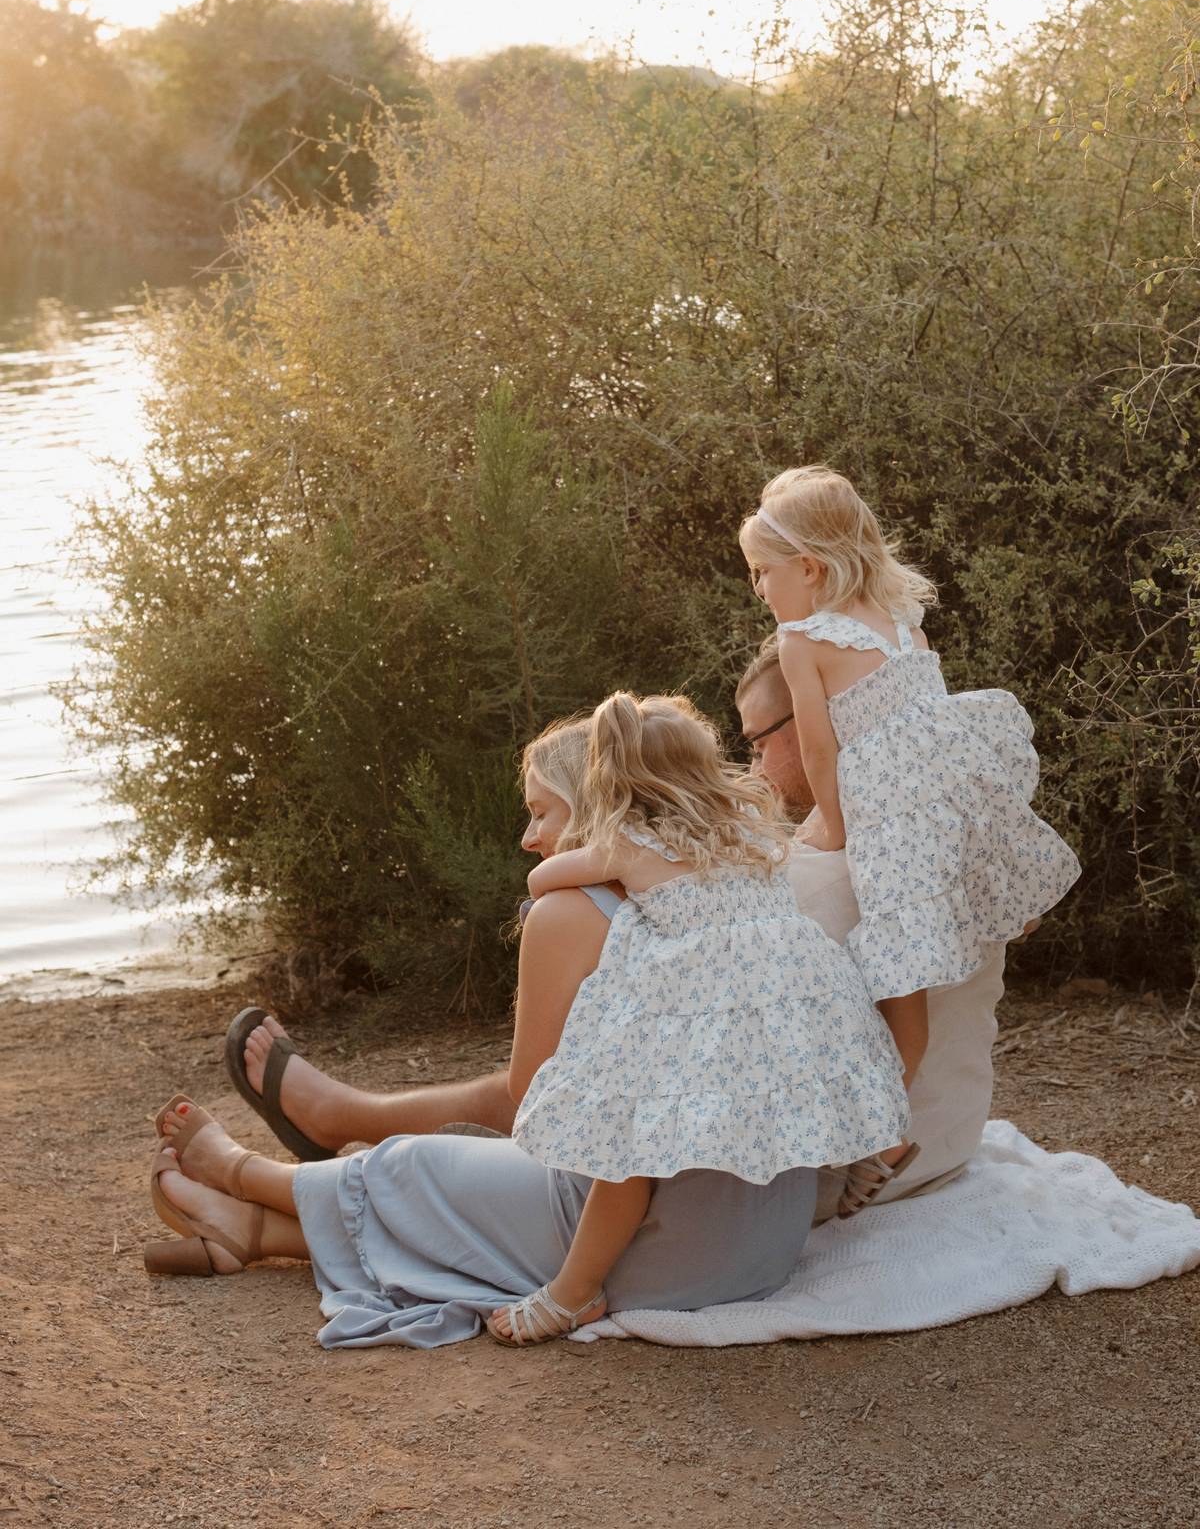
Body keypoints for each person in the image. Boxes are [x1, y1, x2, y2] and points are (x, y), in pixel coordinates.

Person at [142, 717, 827, 1349]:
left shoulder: (568, 910)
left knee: (415, 1166)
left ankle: (244, 1174)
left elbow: (534, 1098)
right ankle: (252, 1231)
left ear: (590, 805)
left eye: (540, 813)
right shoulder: (733, 884)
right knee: (468, 1178)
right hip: (763, 1243)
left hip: (665, 1252)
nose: (530, 839)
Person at [488, 693, 909, 1343]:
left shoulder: (627, 843)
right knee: (834, 1069)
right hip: (796, 981)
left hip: (705, 994)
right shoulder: (746, 826)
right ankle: (879, 1151)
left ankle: (574, 1292)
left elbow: (547, 878)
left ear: (614, 780)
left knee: (628, 1144)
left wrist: (586, 865)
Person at [739, 463, 1082, 1203]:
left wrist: (832, 826)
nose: (759, 589)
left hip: (894, 831)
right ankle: (1004, 907)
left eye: (762, 572)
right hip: (943, 806)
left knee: (901, 992)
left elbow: (821, 746)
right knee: (917, 982)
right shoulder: (903, 624)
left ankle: (885, 1135)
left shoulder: (802, 640)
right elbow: (933, 733)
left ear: (808, 565)